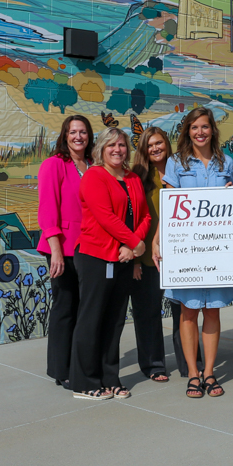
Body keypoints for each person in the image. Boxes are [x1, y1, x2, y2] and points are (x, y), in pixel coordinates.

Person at [153, 107, 233, 399]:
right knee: (188, 312)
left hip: (217, 250)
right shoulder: (176, 163)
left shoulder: (227, 162)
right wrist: (157, 240)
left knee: (212, 310)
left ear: (213, 129)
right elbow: (169, 206)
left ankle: (209, 373)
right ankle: (192, 373)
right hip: (186, 250)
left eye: (205, 126)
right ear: (187, 132)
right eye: (194, 127)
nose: (200, 132)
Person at [71, 127, 151, 400]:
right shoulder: (94, 176)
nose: (117, 150)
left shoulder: (132, 178)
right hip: (96, 256)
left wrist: (133, 247)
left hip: (124, 258)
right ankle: (84, 382)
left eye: (122, 145)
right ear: (101, 149)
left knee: (115, 321)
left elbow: (145, 216)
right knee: (91, 319)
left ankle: (110, 378)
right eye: (111, 145)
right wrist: (136, 243)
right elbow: (105, 217)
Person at [37, 115, 93, 391]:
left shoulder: (93, 165)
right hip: (63, 246)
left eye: (83, 132)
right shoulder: (54, 164)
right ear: (65, 135)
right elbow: (48, 209)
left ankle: (79, 364)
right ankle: (61, 369)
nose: (78, 136)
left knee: (85, 308)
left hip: (89, 246)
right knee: (65, 307)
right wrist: (56, 251)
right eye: (73, 132)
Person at [130, 126, 174, 383]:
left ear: (166, 143)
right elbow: (133, 218)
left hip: (179, 254)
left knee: (185, 312)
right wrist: (135, 260)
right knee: (147, 313)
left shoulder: (181, 171)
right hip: (147, 257)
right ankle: (153, 364)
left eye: (159, 143)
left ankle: (191, 363)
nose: (156, 148)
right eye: (150, 145)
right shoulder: (138, 176)